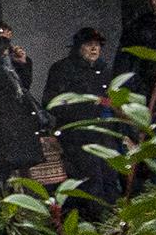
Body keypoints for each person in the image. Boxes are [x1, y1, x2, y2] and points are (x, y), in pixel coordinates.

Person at [45, 26, 128, 208]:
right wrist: (83, 110)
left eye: (97, 45)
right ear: (78, 47)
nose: (94, 49)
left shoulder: (105, 71)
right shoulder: (62, 69)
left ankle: (109, 221)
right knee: (90, 182)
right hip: (78, 137)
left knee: (109, 179)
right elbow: (51, 102)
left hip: (106, 137)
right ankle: (92, 223)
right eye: (89, 44)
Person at [0, 21, 45, 195]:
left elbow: (23, 87)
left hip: (15, 124)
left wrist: (22, 64)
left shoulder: (7, 62)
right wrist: (0, 45)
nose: (7, 44)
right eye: (2, 38)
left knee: (16, 171)